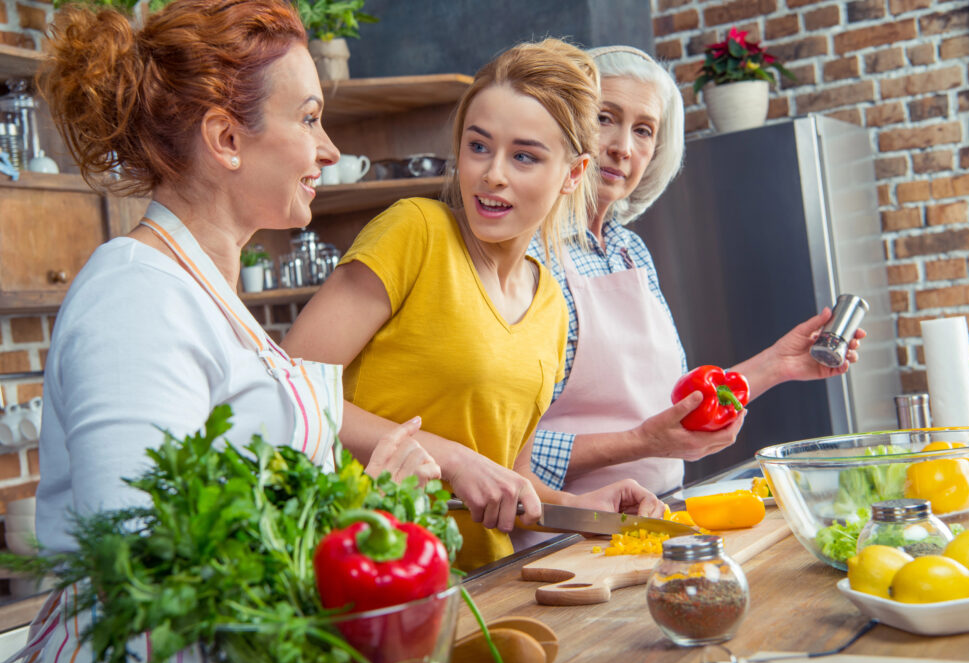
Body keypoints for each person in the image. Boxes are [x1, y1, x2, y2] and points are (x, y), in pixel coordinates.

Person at [0, 1, 438, 663]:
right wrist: (360, 514)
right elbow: (142, 570)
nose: (330, 150)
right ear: (226, 139)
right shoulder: (135, 296)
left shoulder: (202, 294)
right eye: (309, 118)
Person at [283, 38, 665, 572]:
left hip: (485, 581)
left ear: (574, 174)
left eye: (524, 156)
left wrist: (580, 507)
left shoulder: (551, 305)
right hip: (369, 568)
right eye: (478, 146)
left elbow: (510, 480)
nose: (493, 174)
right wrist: (453, 460)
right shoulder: (415, 232)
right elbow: (286, 389)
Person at [526, 45, 865, 500]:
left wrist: (777, 365)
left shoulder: (630, 251)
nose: (622, 147)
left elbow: (677, 406)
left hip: (654, 516)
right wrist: (643, 443)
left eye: (643, 130)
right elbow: (503, 451)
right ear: (567, 124)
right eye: (605, 118)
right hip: (561, 537)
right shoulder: (530, 251)